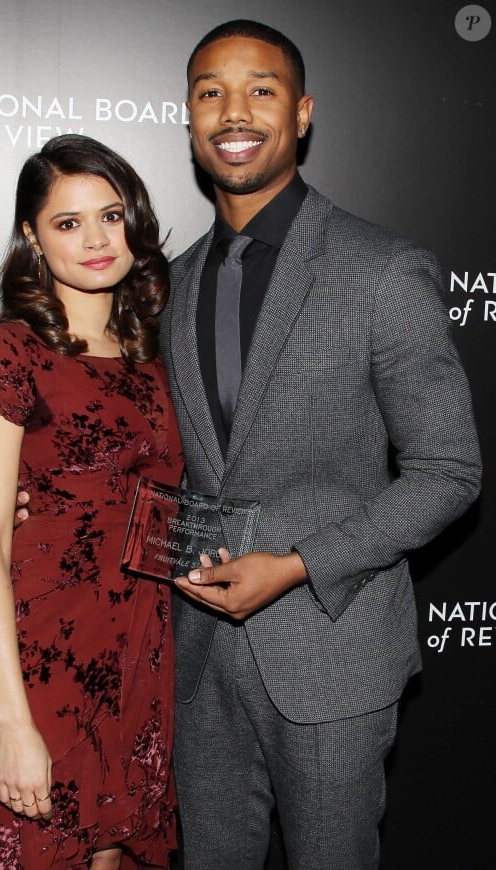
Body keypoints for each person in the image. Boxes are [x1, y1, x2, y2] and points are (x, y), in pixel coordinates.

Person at [161, 19, 482, 870]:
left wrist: (299, 562)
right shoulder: (169, 282)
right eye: (210, 92)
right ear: (189, 118)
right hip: (196, 666)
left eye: (260, 89)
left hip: (332, 656)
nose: (235, 111)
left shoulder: (380, 268)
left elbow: (450, 472)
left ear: (301, 113)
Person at [0, 134, 183, 869]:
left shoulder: (159, 352)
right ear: (31, 235)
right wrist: (13, 723)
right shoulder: (2, 353)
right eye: (67, 222)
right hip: (40, 659)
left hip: (142, 651)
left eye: (110, 216)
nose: (95, 240)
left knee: (114, 856)